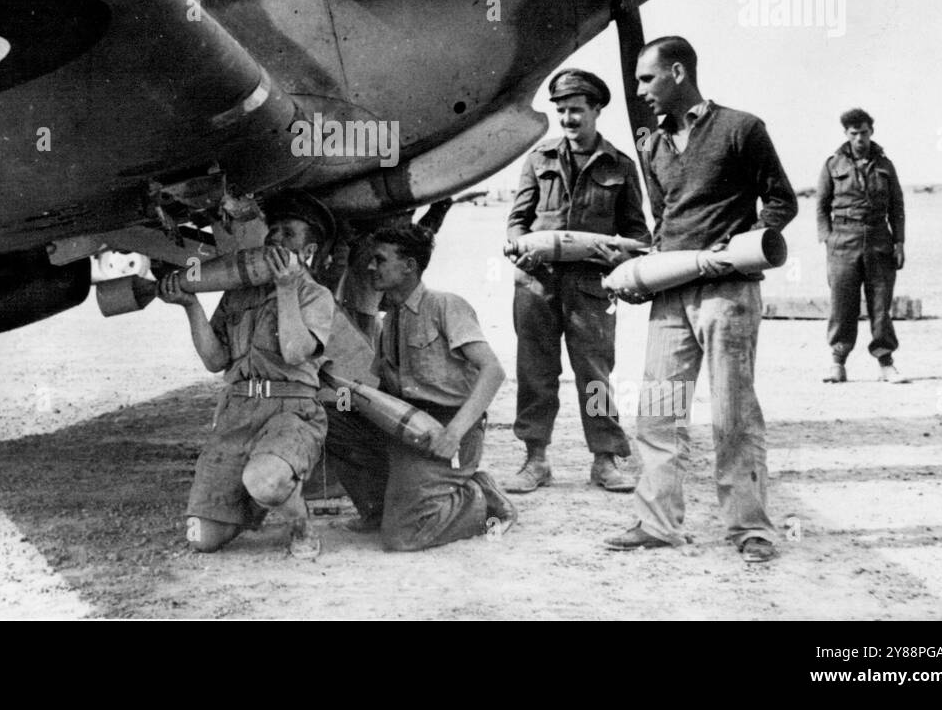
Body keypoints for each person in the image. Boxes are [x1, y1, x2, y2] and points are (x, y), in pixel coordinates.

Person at [605, 36, 797, 565]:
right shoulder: (652, 145)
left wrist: (744, 246)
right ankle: (657, 523)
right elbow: (665, 219)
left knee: (733, 415)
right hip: (672, 296)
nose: (640, 90)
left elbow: (781, 199)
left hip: (729, 294)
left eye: (647, 79)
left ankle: (751, 529)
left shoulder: (741, 128)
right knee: (657, 414)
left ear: (677, 72)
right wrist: (646, 268)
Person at [159, 190, 337, 559]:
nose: (275, 239)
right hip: (238, 412)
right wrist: (190, 304)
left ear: (308, 252)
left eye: (289, 234)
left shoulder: (315, 295)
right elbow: (214, 359)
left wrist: (286, 288)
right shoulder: (239, 295)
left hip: (291, 412)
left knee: (265, 480)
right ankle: (255, 493)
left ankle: (298, 521)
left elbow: (294, 352)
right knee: (201, 538)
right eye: (274, 231)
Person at [324, 224, 518, 551]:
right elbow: (378, 388)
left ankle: (481, 498)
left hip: (447, 432)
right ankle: (378, 509)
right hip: (406, 427)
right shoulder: (389, 323)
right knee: (331, 417)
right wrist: (333, 390)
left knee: (403, 536)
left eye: (380, 260)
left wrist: (453, 434)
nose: (371, 267)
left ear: (409, 266)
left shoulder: (446, 306)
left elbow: (493, 371)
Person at [504, 68, 651, 494]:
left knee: (595, 373)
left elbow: (639, 235)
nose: (568, 119)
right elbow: (517, 222)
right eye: (562, 111)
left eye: (576, 111)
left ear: (596, 111)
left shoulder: (619, 166)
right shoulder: (538, 159)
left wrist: (617, 253)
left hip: (592, 288)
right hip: (537, 284)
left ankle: (605, 460)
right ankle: (535, 460)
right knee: (535, 371)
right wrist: (517, 246)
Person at [814, 109, 907, 384]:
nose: (859, 139)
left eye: (863, 132)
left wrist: (899, 242)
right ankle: (837, 362)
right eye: (853, 133)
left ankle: (886, 362)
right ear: (846, 134)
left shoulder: (885, 165)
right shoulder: (832, 164)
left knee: (881, 304)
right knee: (842, 304)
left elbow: (897, 207)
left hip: (879, 238)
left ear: (871, 132)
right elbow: (821, 206)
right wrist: (828, 239)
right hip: (843, 240)